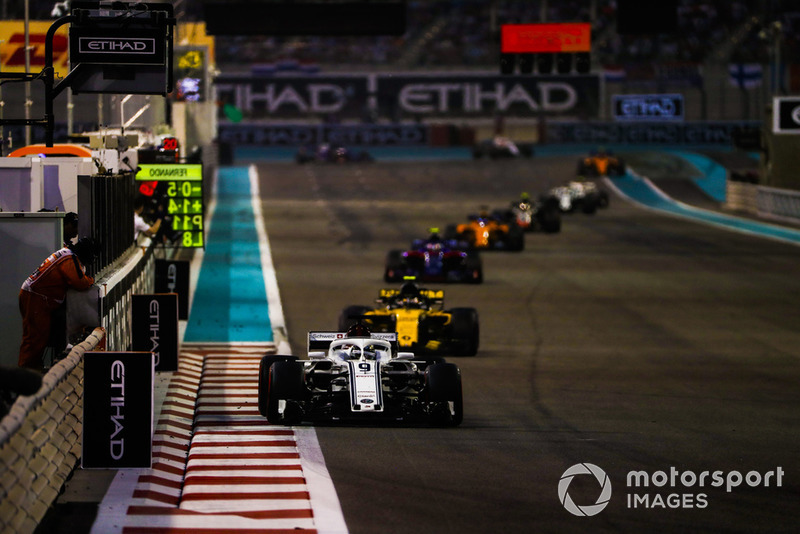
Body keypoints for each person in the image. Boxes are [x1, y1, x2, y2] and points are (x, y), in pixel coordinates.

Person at [18, 238, 96, 372]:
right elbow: (80, 282)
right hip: (36, 297)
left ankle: (32, 369)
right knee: (34, 338)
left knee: (39, 336)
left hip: (35, 296)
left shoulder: (67, 254)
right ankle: (26, 374)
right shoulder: (69, 259)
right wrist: (91, 280)